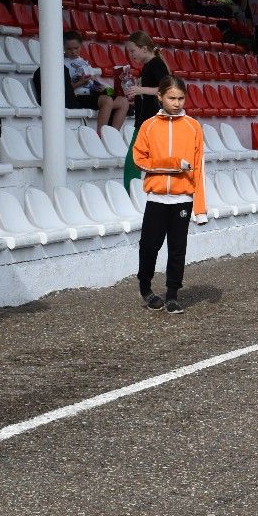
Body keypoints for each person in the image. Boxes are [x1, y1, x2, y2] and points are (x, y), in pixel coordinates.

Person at [132, 76, 208, 314]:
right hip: (156, 198)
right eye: (171, 98)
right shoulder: (148, 126)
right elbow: (139, 160)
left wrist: (201, 209)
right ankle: (146, 288)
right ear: (160, 97)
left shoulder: (193, 127)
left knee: (177, 248)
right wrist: (173, 164)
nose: (177, 103)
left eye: (181, 98)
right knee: (149, 246)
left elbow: (199, 169)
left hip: (182, 199)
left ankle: (173, 294)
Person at [122, 31, 171, 188]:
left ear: (144, 48)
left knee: (133, 161)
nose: (130, 55)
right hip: (145, 120)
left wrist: (140, 90)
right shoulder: (147, 67)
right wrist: (135, 91)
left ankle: (130, 195)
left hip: (151, 121)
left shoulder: (156, 64)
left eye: (132, 50)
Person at [63, 31, 130, 132]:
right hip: (79, 96)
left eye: (76, 48)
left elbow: (93, 80)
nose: (73, 51)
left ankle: (113, 133)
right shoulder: (62, 64)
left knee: (123, 101)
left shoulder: (84, 62)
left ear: (81, 46)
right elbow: (65, 89)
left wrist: (98, 85)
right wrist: (80, 82)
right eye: (69, 49)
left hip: (93, 93)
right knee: (107, 100)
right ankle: (101, 134)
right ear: (63, 47)